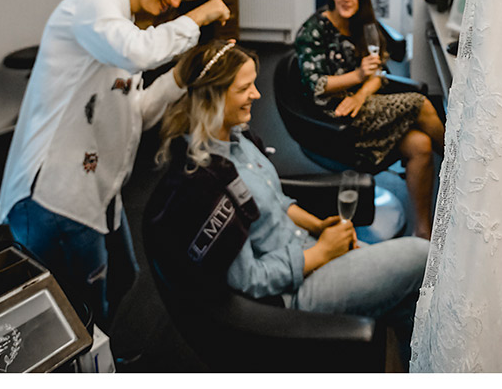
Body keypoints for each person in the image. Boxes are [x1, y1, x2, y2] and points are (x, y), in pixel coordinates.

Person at [0, 0, 230, 329]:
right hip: (55, 194)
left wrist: (179, 78)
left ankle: (98, 356)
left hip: (101, 189)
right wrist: (200, 14)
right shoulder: (93, 6)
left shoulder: (125, 27)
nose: (174, 2)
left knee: (123, 277)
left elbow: (134, 112)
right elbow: (138, 52)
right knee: (75, 310)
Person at [156, 40, 429, 366]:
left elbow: (276, 199)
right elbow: (249, 280)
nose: (257, 95)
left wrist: (319, 227)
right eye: (245, 88)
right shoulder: (202, 185)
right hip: (291, 293)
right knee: (422, 256)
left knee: (409, 299)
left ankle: (422, 365)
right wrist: (322, 252)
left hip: (309, 247)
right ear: (212, 97)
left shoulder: (236, 137)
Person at [295, 0, 445, 239]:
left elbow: (378, 74)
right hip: (331, 115)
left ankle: (423, 233)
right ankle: (458, 161)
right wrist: (357, 77)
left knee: (421, 145)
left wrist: (360, 93)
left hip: (360, 104)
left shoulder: (362, 26)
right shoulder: (314, 29)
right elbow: (316, 83)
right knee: (419, 103)